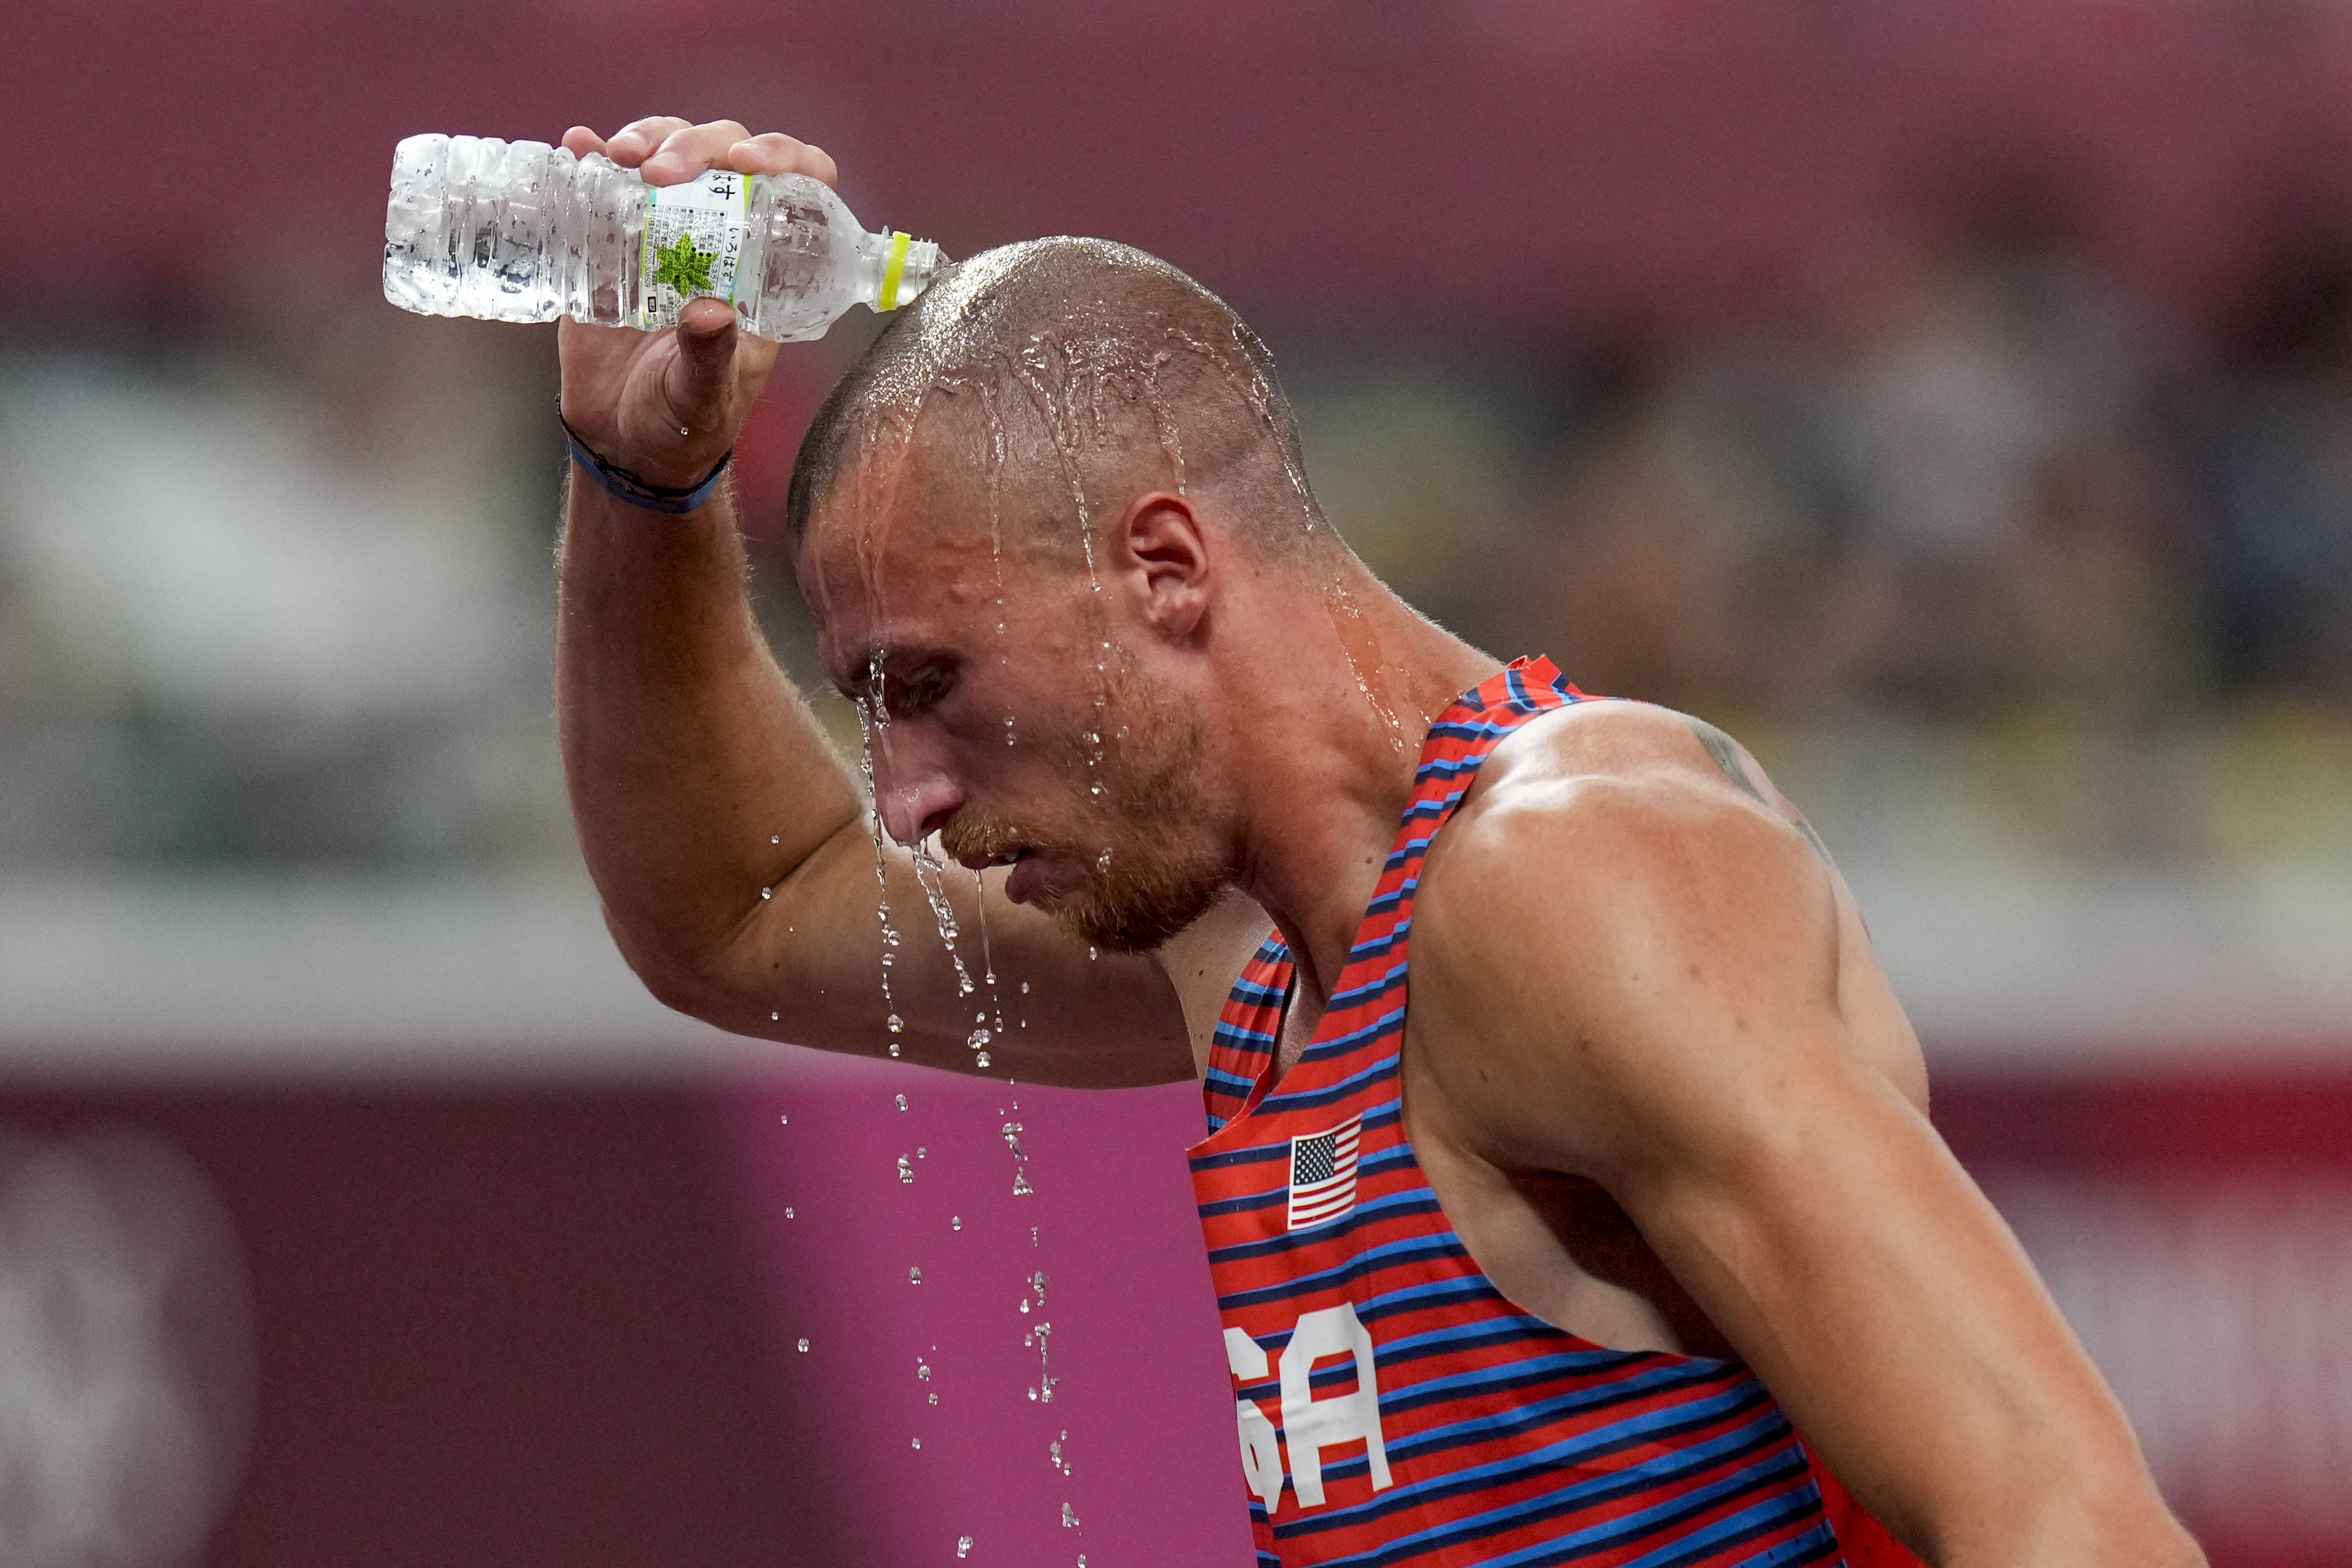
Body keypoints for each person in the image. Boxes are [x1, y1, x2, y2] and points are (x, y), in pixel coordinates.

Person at [551, 116, 2204, 1568]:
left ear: (1167, 569)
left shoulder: (1571, 876)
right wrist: (646, 482)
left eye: (929, 685)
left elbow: (2071, 1526)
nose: (902, 792)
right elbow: (746, 913)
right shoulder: (1263, 940)